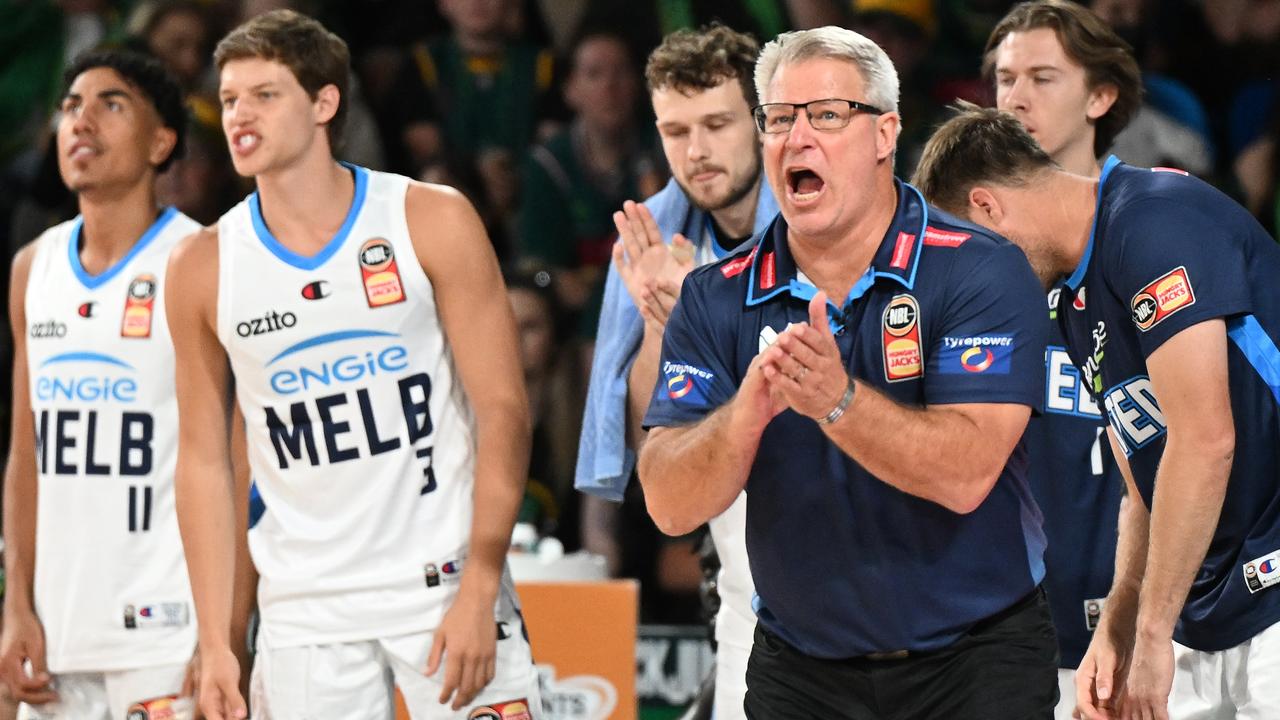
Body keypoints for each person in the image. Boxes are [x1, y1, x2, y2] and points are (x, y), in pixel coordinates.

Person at [638, 26, 1057, 718]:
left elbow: (965, 474)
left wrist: (836, 401)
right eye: (778, 119)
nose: (796, 137)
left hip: (976, 661)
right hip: (799, 669)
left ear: (884, 134)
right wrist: (748, 411)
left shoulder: (979, 268)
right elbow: (669, 502)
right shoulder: (717, 296)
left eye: (827, 115)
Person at [166, 10, 539, 720]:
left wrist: (484, 577)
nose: (240, 114)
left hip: (442, 584)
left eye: (265, 95)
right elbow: (205, 464)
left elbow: (503, 409)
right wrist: (217, 639)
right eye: (230, 98)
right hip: (305, 608)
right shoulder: (202, 266)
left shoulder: (429, 218)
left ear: (324, 103)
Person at [913, 104, 1280, 720]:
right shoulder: (1071, 301)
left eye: (965, 259)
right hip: (1217, 596)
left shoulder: (1154, 219)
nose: (971, 287)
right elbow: (1143, 488)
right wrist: (1119, 620)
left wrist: (1153, 634)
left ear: (987, 207)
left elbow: (1204, 441)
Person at [576, 23, 779, 720]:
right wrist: (666, 323)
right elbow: (649, 442)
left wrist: (714, 308)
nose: (696, 150)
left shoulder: (827, 219)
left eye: (718, 123)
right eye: (675, 129)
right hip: (735, 552)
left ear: (763, 120)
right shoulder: (650, 239)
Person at [1, 50, 203, 720]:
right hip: (55, 635)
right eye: (69, 107)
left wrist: (223, 631)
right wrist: (15, 606)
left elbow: (229, 460)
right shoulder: (34, 267)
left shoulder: (201, 260)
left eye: (110, 104)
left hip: (167, 631)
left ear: (161, 141)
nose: (80, 120)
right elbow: (25, 457)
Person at [983, 3, 1139, 716]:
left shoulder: (1152, 232)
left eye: (1042, 77)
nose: (1015, 99)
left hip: (1143, 631)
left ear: (1101, 97)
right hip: (998, 635)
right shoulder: (961, 260)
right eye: (1005, 78)